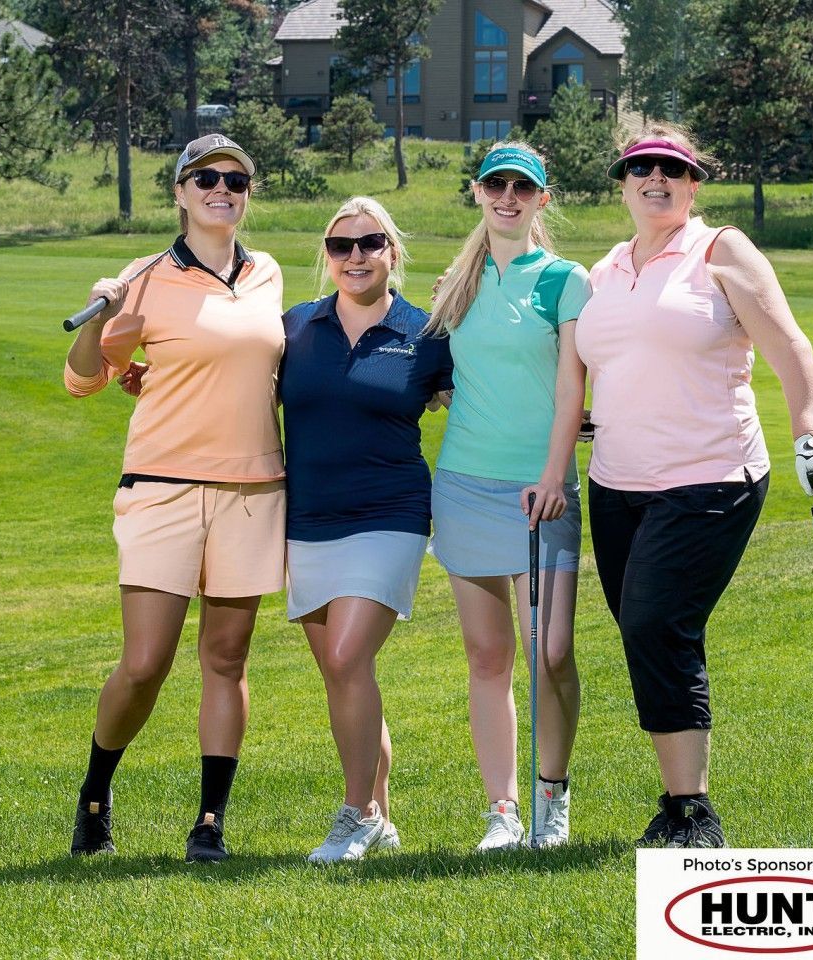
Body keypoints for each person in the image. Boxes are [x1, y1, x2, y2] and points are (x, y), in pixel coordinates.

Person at [574, 125, 813, 849]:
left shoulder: (718, 248)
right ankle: (674, 806)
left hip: (710, 476)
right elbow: (619, 362)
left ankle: (694, 812)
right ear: (622, 183)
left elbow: (789, 343)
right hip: (617, 483)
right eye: (640, 168)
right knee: (642, 632)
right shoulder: (604, 269)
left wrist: (808, 433)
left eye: (671, 169)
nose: (654, 178)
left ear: (693, 185)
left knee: (658, 622)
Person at [63, 134, 285, 863]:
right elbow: (85, 379)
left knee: (226, 659)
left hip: (252, 491)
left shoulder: (268, 274)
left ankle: (209, 823)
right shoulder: (143, 277)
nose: (223, 189)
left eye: (236, 180)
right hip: (161, 488)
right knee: (145, 662)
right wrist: (100, 316)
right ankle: (95, 793)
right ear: (181, 192)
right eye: (207, 178)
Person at [426, 142, 588, 849]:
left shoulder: (563, 281)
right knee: (487, 658)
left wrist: (554, 475)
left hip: (540, 490)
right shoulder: (454, 284)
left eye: (523, 188)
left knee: (549, 650)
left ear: (542, 200)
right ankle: (503, 811)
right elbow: (442, 369)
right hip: (463, 484)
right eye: (496, 185)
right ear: (477, 192)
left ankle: (552, 794)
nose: (508, 197)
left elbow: (572, 388)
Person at [282, 197, 454, 862]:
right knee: (342, 676)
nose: (355, 256)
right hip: (307, 520)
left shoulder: (427, 330)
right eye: (341, 245)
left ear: (391, 253)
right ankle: (378, 816)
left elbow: (486, 391)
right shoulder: (295, 328)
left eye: (369, 243)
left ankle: (354, 814)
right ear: (327, 258)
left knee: (350, 660)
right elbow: (230, 385)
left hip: (390, 513)